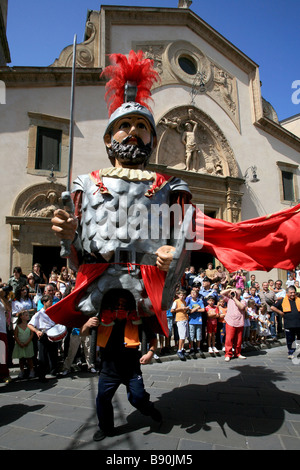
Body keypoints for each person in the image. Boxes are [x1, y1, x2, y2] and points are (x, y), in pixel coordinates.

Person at [49, 50, 192, 440]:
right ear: (110, 138)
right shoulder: (84, 182)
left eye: (141, 127)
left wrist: (172, 254)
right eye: (124, 125)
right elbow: (75, 248)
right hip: (99, 283)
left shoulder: (169, 186)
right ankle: (118, 400)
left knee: (131, 354)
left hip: (145, 285)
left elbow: (188, 235)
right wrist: (65, 235)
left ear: (152, 138)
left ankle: (138, 385)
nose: (133, 132)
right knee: (110, 353)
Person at [82, 293, 161, 441]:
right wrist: (87, 324)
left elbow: (152, 338)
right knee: (103, 399)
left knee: (137, 398)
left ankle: (149, 408)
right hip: (108, 369)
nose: (120, 307)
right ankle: (105, 428)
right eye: (117, 304)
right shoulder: (101, 318)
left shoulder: (136, 320)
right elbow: (84, 333)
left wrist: (150, 353)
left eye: (123, 304)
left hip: (131, 369)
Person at [28, 294, 60, 381]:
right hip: (43, 335)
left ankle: (53, 372)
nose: (51, 303)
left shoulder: (52, 311)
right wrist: (37, 331)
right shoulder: (39, 314)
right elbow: (30, 325)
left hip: (52, 334)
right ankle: (42, 375)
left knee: (53, 354)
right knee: (43, 356)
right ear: (44, 302)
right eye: (50, 301)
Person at [271, 285, 300, 359]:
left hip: (298, 323)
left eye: (294, 292)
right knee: (290, 339)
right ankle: (291, 352)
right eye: (291, 293)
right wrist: (280, 312)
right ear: (287, 293)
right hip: (289, 324)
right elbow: (272, 307)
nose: (293, 294)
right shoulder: (283, 301)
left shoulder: (298, 300)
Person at [220, 287, 247, 361]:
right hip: (230, 322)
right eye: (235, 293)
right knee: (229, 339)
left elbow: (242, 307)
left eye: (237, 293)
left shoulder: (243, 301)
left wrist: (235, 298)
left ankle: (237, 353)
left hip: (240, 322)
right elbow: (221, 293)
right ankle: (228, 354)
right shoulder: (229, 299)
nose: (235, 294)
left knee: (238, 340)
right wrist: (230, 290)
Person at [12, 310, 35, 379]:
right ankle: (22, 370)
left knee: (29, 358)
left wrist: (27, 342)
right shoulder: (18, 326)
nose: (28, 316)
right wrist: (19, 343)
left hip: (28, 344)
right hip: (20, 344)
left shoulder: (30, 325)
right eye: (26, 315)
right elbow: (15, 335)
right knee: (21, 359)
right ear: (21, 317)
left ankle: (31, 370)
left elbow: (31, 334)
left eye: (28, 315)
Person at [171, 290, 189, 360]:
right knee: (181, 336)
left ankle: (182, 348)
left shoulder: (184, 302)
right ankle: (179, 350)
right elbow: (172, 310)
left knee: (184, 335)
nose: (182, 296)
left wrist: (186, 309)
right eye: (181, 295)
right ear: (178, 295)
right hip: (180, 319)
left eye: (183, 295)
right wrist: (181, 308)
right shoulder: (176, 301)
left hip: (184, 318)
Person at [185, 287, 205, 353]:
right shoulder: (189, 302)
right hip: (191, 320)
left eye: (195, 293)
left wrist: (196, 309)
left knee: (198, 334)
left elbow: (203, 309)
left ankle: (198, 347)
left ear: (197, 294)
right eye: (192, 293)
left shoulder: (200, 301)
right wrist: (197, 307)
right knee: (191, 334)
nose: (193, 294)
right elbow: (190, 311)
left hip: (199, 320)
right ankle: (192, 347)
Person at [0, 286, 12, 383]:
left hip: (1, 329)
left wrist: (2, 297)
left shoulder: (2, 300)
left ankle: (4, 374)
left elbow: (8, 308)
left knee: (2, 353)